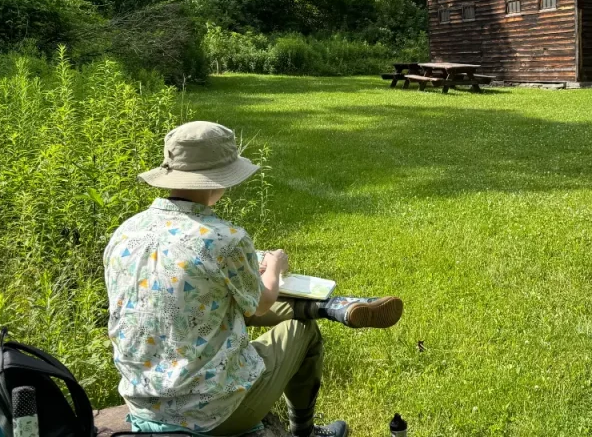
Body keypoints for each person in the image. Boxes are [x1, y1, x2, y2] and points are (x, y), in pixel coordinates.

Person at [103, 121, 403, 437]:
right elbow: (259, 305)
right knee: (303, 331)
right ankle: (306, 429)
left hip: (143, 403)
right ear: (221, 179)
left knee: (217, 299)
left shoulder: (125, 232)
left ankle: (335, 307)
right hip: (214, 414)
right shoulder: (226, 239)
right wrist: (273, 266)